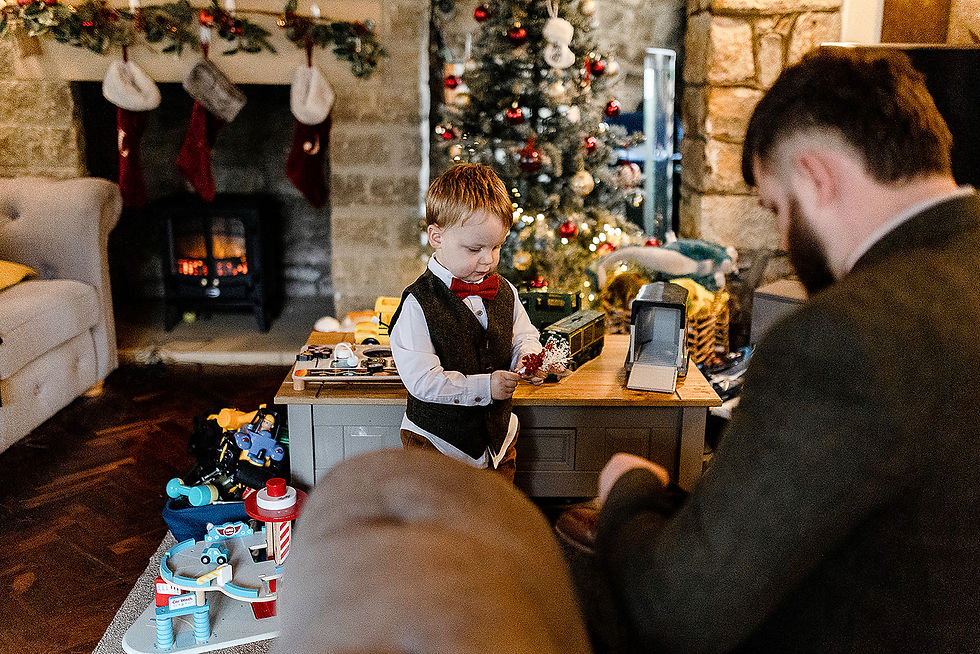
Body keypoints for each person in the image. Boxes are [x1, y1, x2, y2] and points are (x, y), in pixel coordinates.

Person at [587, 46, 980, 652]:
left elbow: (681, 607)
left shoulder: (840, 337)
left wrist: (629, 492)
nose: (781, 235)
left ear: (817, 177)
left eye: (778, 208)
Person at [388, 163, 545, 482]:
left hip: (498, 446)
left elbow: (523, 336)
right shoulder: (418, 303)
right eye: (474, 249)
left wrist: (528, 358)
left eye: (497, 246)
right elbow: (421, 381)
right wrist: (485, 387)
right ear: (436, 237)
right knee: (442, 529)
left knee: (495, 523)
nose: (488, 259)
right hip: (436, 446)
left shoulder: (505, 291)